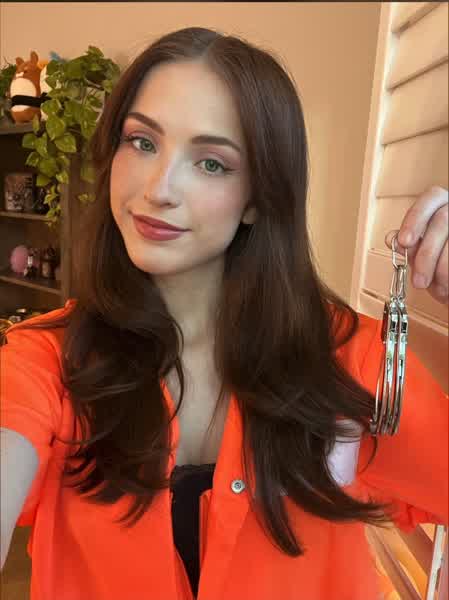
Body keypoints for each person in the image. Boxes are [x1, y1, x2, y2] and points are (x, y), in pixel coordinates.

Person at [1, 26, 447, 600]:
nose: (159, 188)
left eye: (211, 163)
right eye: (142, 142)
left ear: (258, 198)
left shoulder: (352, 361)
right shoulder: (47, 360)